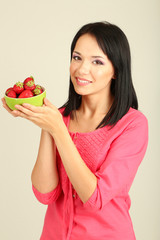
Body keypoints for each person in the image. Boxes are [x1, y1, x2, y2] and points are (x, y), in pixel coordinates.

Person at [2, 21, 148, 240]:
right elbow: (45, 194)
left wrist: (58, 129)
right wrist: (47, 125)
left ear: (116, 70)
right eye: (77, 57)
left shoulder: (133, 124)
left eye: (97, 61)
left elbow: (96, 197)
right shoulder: (60, 116)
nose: (81, 69)